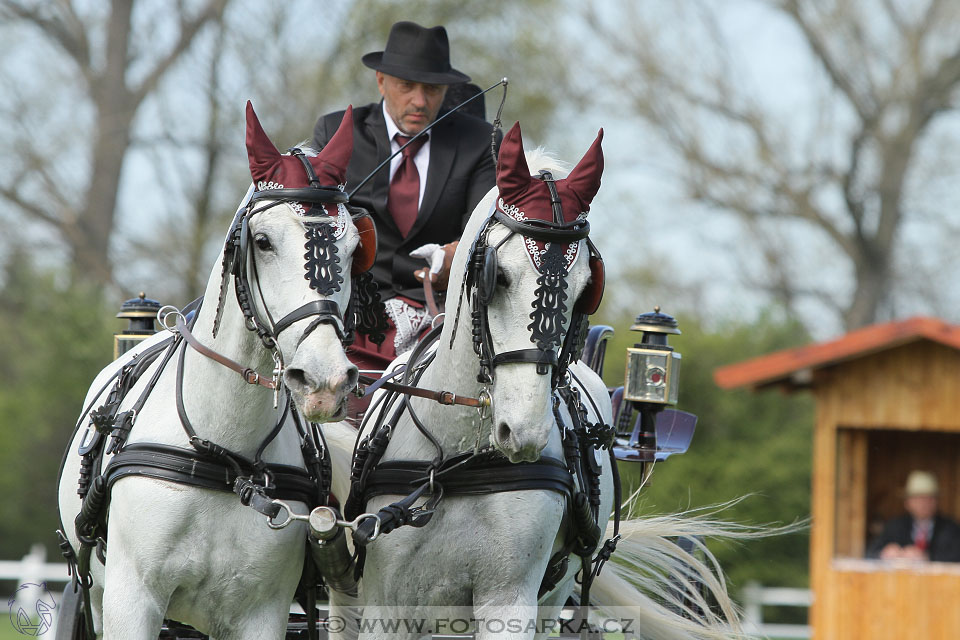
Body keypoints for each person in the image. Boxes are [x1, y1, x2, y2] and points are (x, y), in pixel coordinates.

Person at [311, 21, 501, 375]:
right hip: (350, 315)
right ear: (381, 81)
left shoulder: (479, 141)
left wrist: (452, 256)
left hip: (437, 322)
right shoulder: (337, 132)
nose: (419, 101)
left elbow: (482, 232)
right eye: (407, 87)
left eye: (432, 89)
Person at [866, 470, 960, 562]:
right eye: (917, 498)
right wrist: (883, 554)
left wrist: (927, 557)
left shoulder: (951, 528)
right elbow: (869, 553)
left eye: (928, 498)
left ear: (936, 502)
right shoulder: (895, 526)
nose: (923, 503)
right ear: (907, 502)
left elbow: (956, 556)